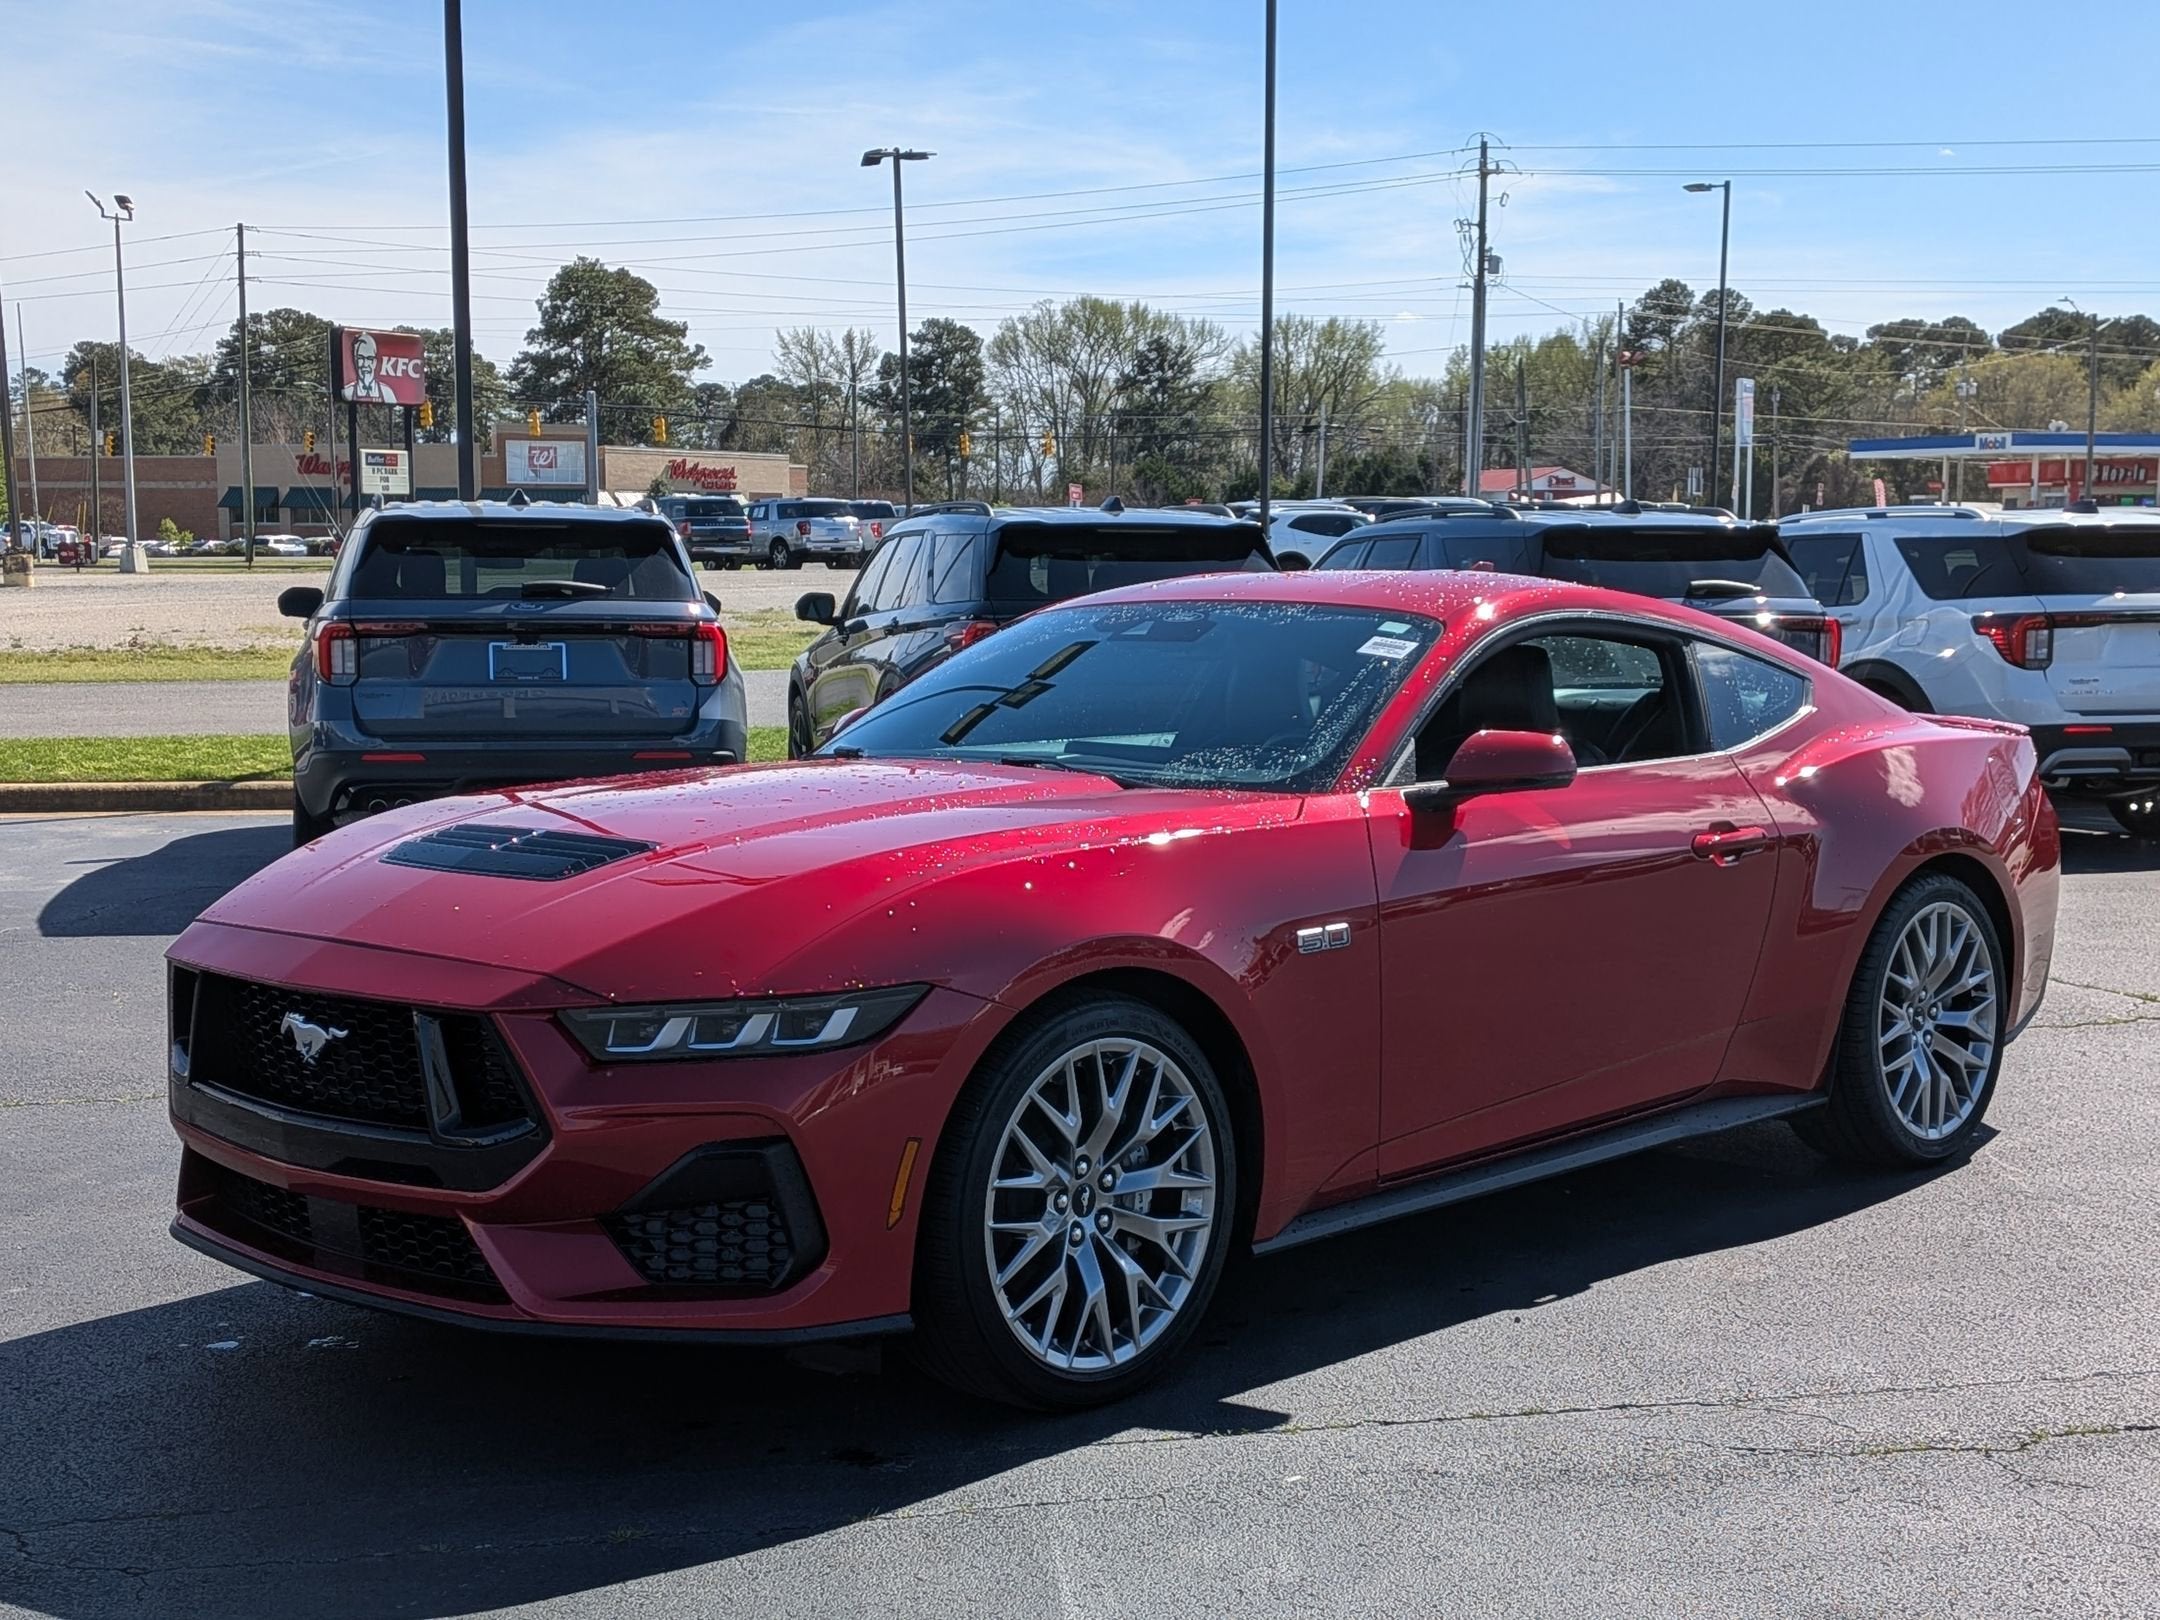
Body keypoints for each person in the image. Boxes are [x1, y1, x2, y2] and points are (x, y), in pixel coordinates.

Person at [343, 331, 392, 403]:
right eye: (361, 358)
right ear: (355, 360)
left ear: (375, 362)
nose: (365, 364)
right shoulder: (347, 392)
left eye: (369, 358)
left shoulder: (387, 394)